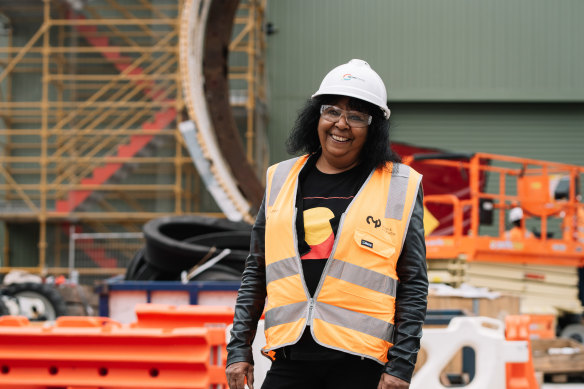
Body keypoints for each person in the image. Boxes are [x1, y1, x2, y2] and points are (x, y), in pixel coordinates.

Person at [226, 59, 428, 389]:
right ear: (316, 116)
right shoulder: (281, 179)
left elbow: (414, 283)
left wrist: (401, 366)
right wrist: (238, 349)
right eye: (331, 111)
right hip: (292, 358)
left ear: (373, 126)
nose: (341, 124)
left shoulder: (399, 186)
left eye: (357, 116)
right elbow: (256, 270)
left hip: (361, 365)